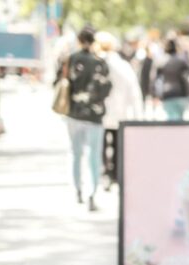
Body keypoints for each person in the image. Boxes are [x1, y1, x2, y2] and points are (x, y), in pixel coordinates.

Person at [62, 25, 112, 211]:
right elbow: (106, 88)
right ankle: (92, 192)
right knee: (94, 156)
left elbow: (63, 82)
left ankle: (78, 189)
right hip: (94, 115)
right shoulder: (100, 62)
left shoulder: (71, 59)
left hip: (74, 112)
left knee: (76, 153)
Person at [95, 31, 143, 191]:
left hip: (100, 112)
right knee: (117, 144)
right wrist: (137, 115)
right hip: (119, 112)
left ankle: (105, 173)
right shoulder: (122, 65)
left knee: (101, 144)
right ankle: (115, 173)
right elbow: (133, 90)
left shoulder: (97, 63)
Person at [156, 39, 189, 120]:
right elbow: (187, 76)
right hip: (180, 93)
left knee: (171, 119)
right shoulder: (181, 61)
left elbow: (157, 80)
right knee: (178, 120)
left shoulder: (161, 62)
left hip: (167, 94)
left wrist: (156, 94)